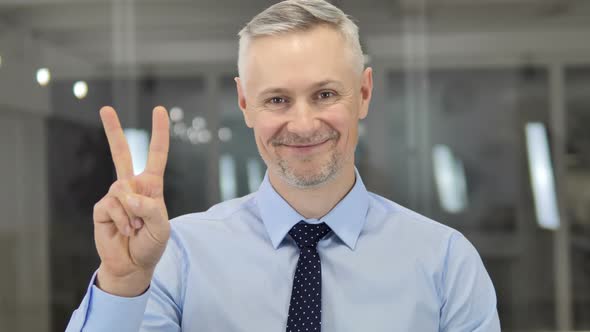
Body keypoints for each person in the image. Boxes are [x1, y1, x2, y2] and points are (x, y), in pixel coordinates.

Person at [66, 0, 501, 331]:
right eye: (277, 99)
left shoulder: (446, 263)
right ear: (244, 103)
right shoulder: (174, 258)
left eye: (326, 95)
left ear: (364, 93)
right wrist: (123, 282)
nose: (304, 123)